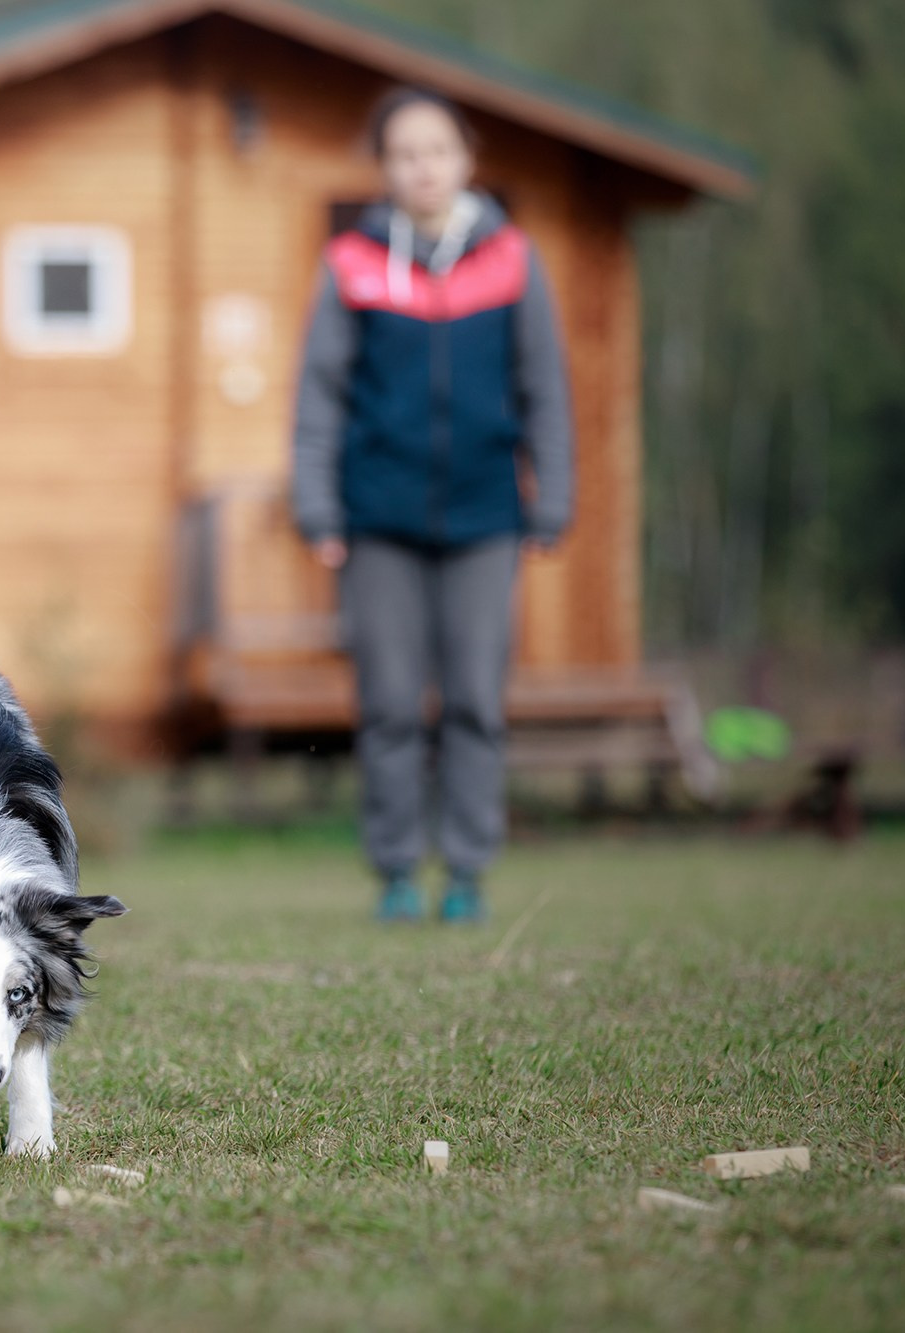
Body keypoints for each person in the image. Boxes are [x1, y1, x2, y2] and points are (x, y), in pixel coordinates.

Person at [291, 87, 574, 924]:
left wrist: (550, 499)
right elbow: (320, 396)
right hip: (377, 522)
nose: (424, 166)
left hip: (488, 518)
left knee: (477, 702)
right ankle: (396, 874)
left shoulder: (513, 259)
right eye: (407, 152)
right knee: (387, 706)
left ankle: (468, 873)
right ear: (386, 168)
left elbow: (546, 389)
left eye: (439, 150)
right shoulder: (351, 263)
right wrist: (319, 508)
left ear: (466, 160)